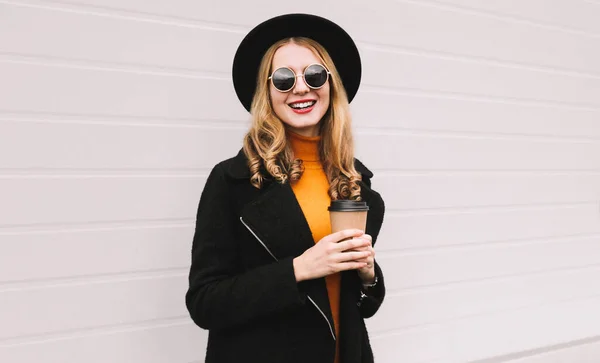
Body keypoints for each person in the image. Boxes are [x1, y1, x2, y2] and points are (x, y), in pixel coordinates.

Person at [185, 13, 386, 363]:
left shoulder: (357, 187)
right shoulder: (233, 182)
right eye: (283, 79)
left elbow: (359, 306)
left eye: (314, 74)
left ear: (330, 85)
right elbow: (205, 302)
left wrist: (369, 275)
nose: (301, 88)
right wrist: (300, 268)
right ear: (267, 92)